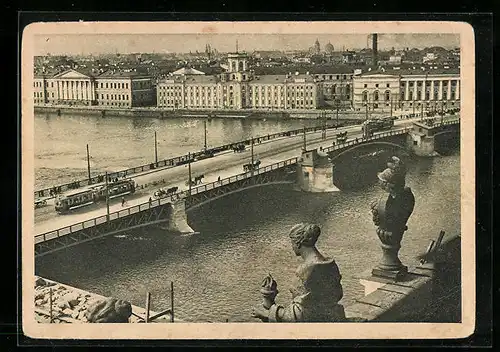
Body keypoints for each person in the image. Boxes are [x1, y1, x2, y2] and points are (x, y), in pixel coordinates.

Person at [252, 223, 346, 322]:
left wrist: (268, 312)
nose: (292, 247)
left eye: (292, 242)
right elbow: (323, 304)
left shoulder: (306, 270)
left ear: (298, 243)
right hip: (334, 316)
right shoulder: (330, 264)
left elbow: (300, 314)